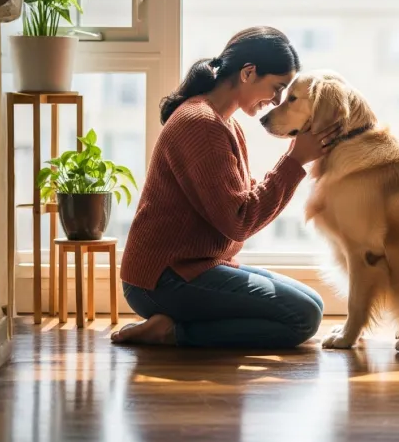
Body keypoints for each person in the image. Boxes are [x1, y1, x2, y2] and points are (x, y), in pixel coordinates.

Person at [112, 26, 338, 348]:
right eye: (277, 88)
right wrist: (294, 161)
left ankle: (177, 323)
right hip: (163, 279)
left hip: (198, 266)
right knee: (303, 316)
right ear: (248, 73)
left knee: (313, 302)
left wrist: (293, 161)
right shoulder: (201, 124)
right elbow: (239, 221)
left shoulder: (224, 123)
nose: (276, 100)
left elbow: (241, 198)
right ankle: (173, 332)